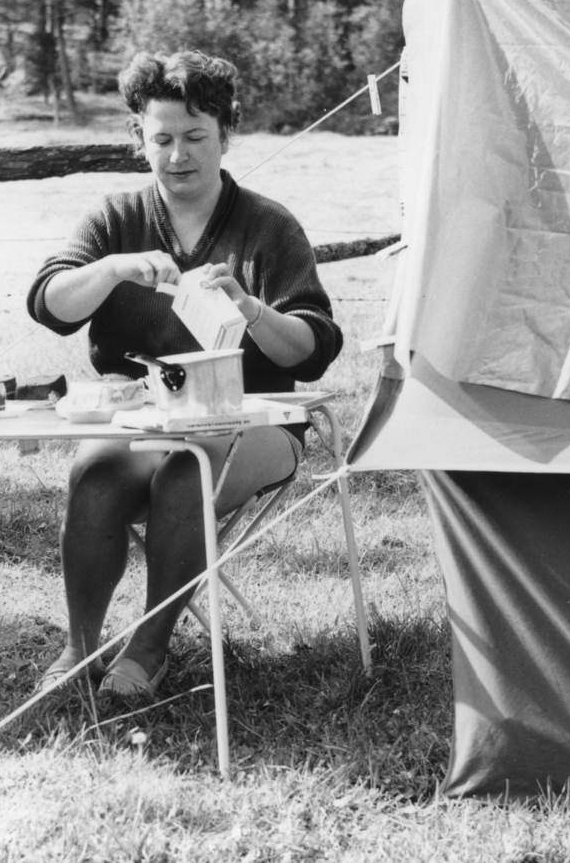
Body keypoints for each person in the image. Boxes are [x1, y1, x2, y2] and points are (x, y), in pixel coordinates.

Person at [26, 51, 343, 700]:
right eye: (162, 138)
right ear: (138, 139)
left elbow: (313, 348)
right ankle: (81, 645)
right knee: (98, 469)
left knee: (186, 469)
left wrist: (252, 309)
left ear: (227, 135)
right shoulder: (116, 220)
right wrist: (112, 269)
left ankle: (148, 647)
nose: (178, 155)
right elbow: (48, 300)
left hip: (253, 420)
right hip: (144, 416)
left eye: (196, 137)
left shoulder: (267, 225)